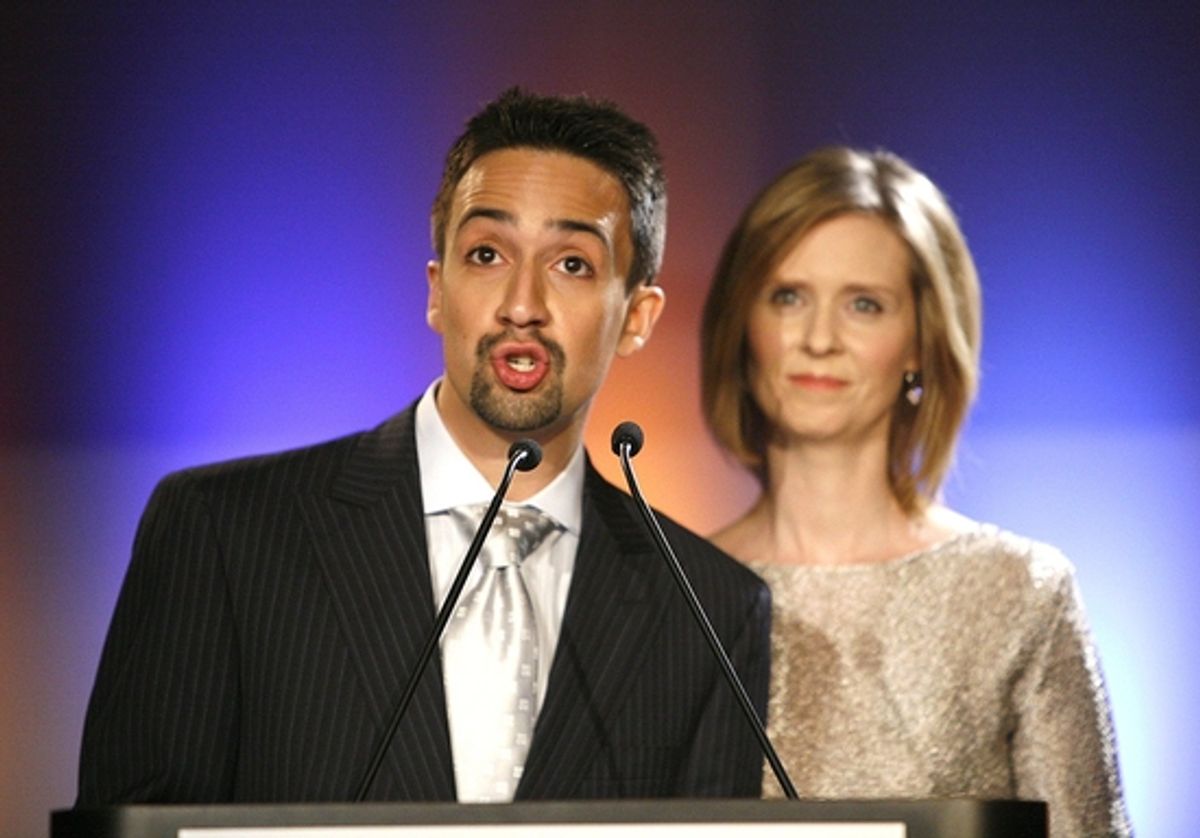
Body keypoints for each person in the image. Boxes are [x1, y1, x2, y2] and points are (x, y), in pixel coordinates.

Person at [77, 88, 771, 805]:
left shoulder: (710, 611)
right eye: (487, 253)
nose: (522, 304)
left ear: (636, 317)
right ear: (438, 290)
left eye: (572, 264)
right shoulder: (221, 535)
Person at [700, 147, 1132, 836]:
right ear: (742, 326)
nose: (818, 339)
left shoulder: (1018, 593)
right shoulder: (671, 595)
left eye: (864, 305)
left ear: (920, 344)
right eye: (788, 297)